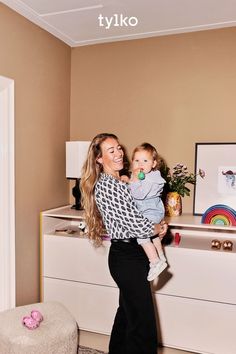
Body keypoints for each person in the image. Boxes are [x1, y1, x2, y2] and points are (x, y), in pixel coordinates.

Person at [80, 133, 168, 354]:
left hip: (136, 253)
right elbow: (135, 223)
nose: (119, 153)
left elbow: (144, 212)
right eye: (111, 151)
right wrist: (156, 228)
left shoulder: (123, 181)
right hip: (126, 256)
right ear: (99, 159)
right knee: (143, 323)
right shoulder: (108, 185)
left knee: (128, 315)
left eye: (119, 148)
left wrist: (157, 226)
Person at [122, 143, 168, 281]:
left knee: (142, 234)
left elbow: (139, 194)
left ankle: (155, 262)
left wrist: (133, 181)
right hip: (149, 211)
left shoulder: (153, 177)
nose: (140, 164)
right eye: (137, 160)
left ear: (154, 163)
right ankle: (161, 256)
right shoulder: (142, 176)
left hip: (151, 210)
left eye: (145, 161)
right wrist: (129, 179)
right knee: (153, 236)